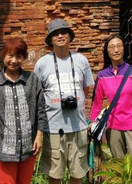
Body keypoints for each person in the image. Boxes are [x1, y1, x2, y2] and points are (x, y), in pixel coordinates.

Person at [33, 19, 94, 184]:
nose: (60, 36)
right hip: (53, 127)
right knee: (55, 174)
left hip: (78, 126)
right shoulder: (42, 63)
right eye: (55, 34)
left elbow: (86, 90)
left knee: (78, 173)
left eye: (63, 32)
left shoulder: (81, 60)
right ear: (51, 39)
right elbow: (37, 95)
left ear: (69, 36)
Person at [0, 36, 47, 184]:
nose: (14, 60)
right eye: (10, 55)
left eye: (19, 56)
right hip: (4, 147)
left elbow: (41, 109)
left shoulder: (32, 79)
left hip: (28, 146)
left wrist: (39, 136)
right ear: (3, 55)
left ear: (24, 57)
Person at [90, 36, 132, 163]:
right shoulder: (102, 76)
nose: (116, 50)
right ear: (107, 51)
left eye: (119, 46)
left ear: (124, 49)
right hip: (113, 128)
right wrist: (93, 125)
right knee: (119, 169)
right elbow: (96, 104)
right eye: (112, 47)